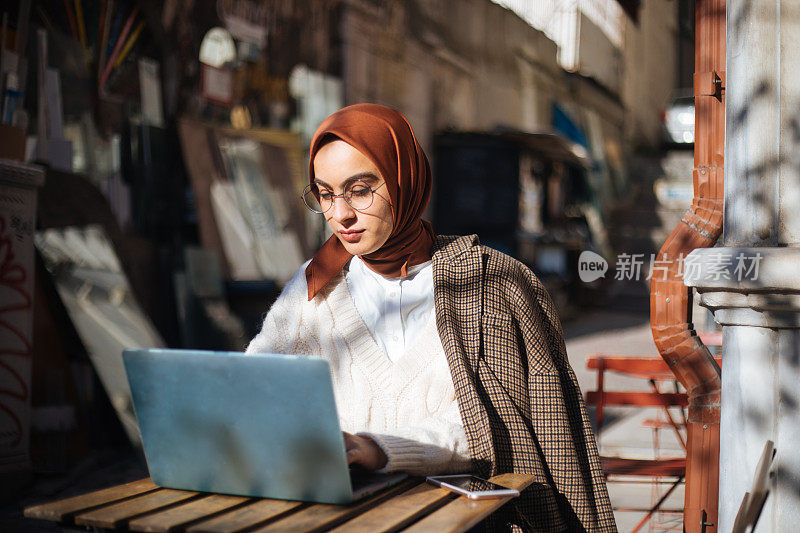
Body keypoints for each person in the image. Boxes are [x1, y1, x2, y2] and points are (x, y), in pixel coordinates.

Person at [246, 103, 616, 532]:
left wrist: (379, 448)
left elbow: (495, 429)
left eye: (360, 189)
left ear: (403, 180)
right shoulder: (314, 288)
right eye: (326, 194)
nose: (340, 214)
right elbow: (256, 389)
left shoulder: (487, 286)